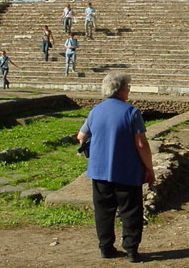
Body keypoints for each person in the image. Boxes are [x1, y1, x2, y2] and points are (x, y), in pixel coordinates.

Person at [77, 73, 155, 263]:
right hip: (126, 171)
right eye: (127, 87)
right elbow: (141, 145)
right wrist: (149, 168)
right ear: (120, 90)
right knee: (130, 211)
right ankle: (131, 250)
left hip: (99, 170)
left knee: (103, 211)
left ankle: (105, 247)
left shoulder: (95, 111)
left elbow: (81, 136)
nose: (128, 90)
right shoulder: (131, 112)